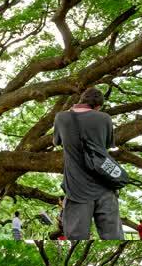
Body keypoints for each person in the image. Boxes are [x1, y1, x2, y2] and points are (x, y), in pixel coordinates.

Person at [53, 87, 124, 240]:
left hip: (76, 189)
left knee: (76, 239)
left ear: (81, 100)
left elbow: (57, 142)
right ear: (98, 106)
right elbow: (105, 146)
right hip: (105, 187)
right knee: (114, 238)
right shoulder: (104, 118)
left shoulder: (61, 117)